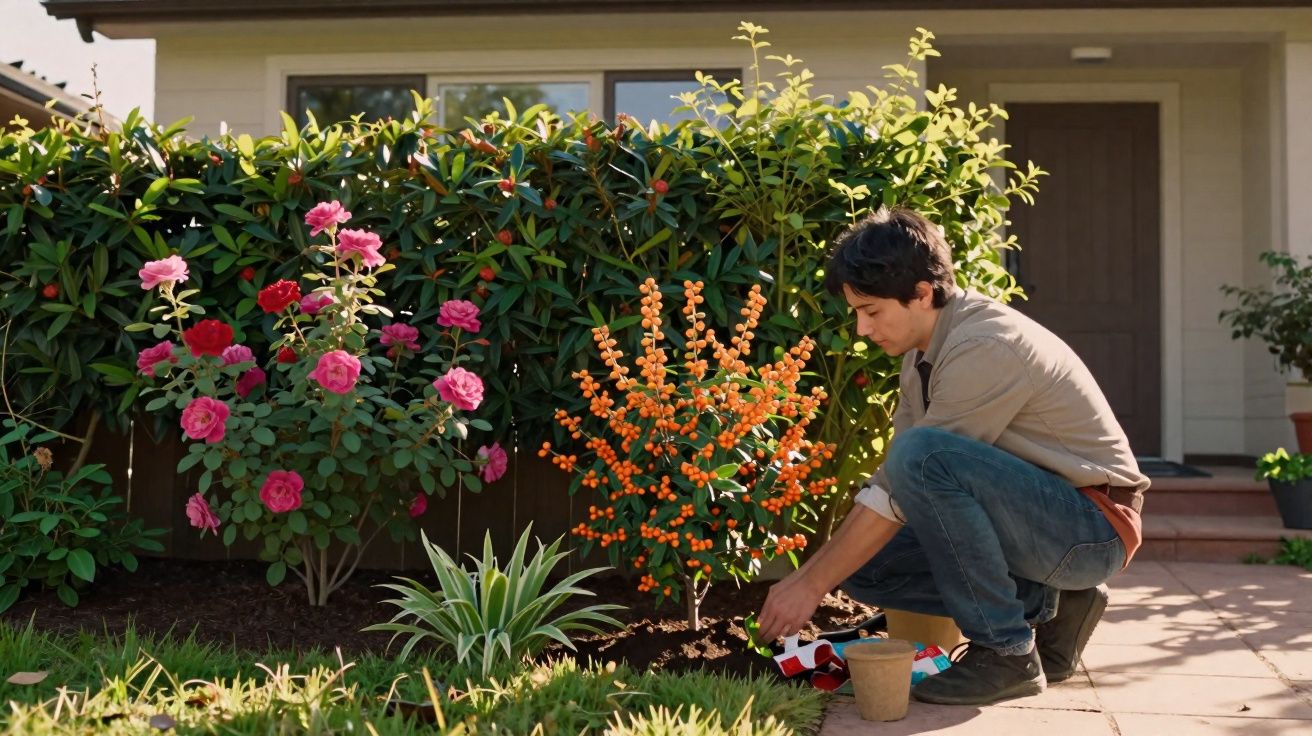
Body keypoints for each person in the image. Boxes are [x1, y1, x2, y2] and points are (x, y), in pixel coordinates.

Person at [756, 207, 1148, 705]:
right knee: (864, 566)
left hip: (1091, 528)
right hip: (1042, 524)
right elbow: (892, 486)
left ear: (921, 293)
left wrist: (808, 585)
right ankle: (1053, 604)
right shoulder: (921, 355)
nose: (861, 329)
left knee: (921, 457)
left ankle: (1006, 653)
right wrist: (818, 574)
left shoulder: (984, 344)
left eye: (871, 311)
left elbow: (915, 467)